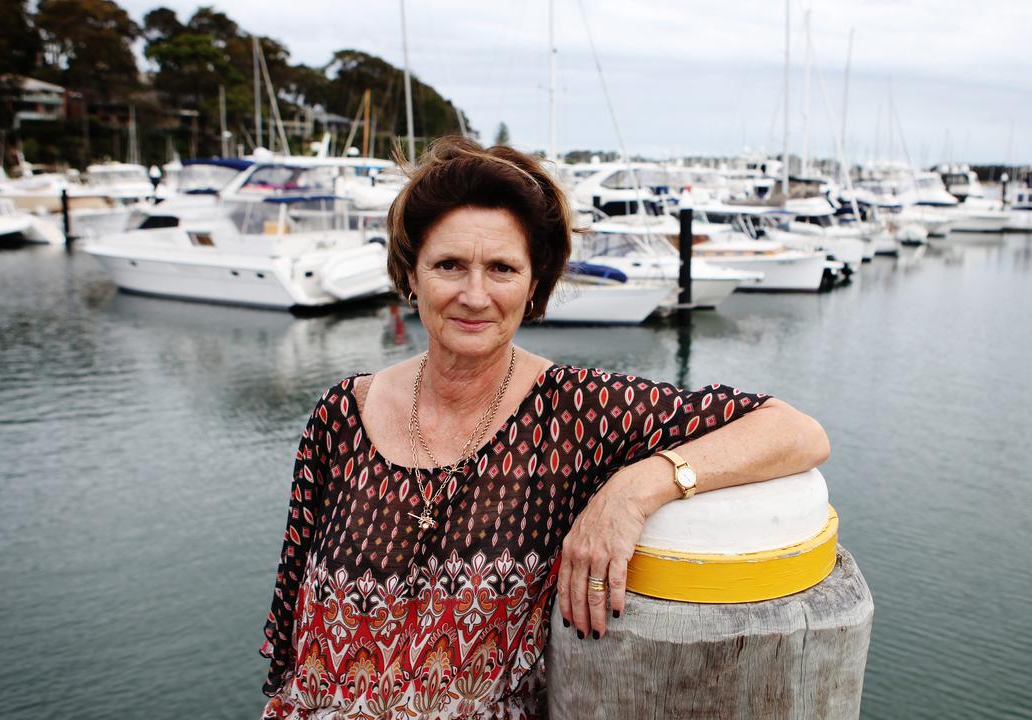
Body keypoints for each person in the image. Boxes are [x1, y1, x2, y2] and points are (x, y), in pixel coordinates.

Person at [259, 137, 830, 719]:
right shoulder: (342, 413)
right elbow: (288, 628)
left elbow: (796, 431)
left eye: (502, 268)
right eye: (449, 265)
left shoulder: (576, 413)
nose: (474, 294)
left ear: (535, 286)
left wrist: (636, 489)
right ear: (411, 274)